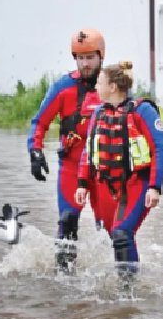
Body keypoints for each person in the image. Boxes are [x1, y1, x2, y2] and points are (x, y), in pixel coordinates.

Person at [74, 61, 163, 275]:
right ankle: (126, 280)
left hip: (137, 182)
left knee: (122, 233)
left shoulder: (143, 111)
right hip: (107, 183)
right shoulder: (98, 113)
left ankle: (127, 292)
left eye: (99, 82)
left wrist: (155, 187)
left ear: (112, 87)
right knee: (112, 235)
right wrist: (82, 184)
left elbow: (160, 150)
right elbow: (89, 151)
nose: (95, 87)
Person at [27, 28, 105, 270]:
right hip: (72, 167)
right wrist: (35, 151)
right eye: (80, 58)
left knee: (110, 226)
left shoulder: (112, 86)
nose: (85, 63)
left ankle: (115, 277)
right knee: (68, 220)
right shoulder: (62, 87)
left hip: (104, 168)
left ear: (101, 56)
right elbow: (40, 122)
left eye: (90, 57)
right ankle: (64, 279)